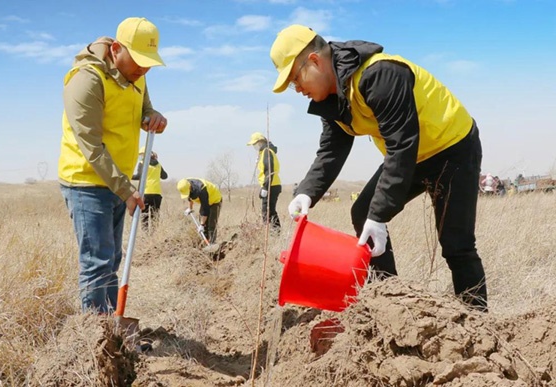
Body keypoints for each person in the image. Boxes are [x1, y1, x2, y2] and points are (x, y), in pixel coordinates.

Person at [270, 24, 487, 311]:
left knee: (456, 244)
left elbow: (401, 146)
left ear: (314, 61)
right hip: (411, 154)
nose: (297, 90)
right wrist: (306, 192)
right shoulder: (333, 98)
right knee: (362, 212)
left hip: (452, 147)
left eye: (296, 79)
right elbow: (332, 149)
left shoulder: (380, 75)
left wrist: (380, 214)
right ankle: (391, 306)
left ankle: (479, 326)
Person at [58, 17, 168, 314]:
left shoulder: (137, 74)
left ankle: (110, 327)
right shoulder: (86, 80)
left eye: (149, 63)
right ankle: (96, 338)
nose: (144, 69)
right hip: (87, 183)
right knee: (97, 263)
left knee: (112, 259)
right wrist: (126, 190)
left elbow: (145, 108)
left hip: (119, 182)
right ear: (117, 49)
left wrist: (152, 116)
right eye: (139, 61)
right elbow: (91, 147)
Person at [246, 132, 282, 231]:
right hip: (272, 184)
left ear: (261, 142)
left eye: (255, 143)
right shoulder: (265, 152)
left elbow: (269, 171)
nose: (254, 146)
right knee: (270, 211)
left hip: (271, 185)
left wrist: (266, 187)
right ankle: (275, 232)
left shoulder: (267, 151)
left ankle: (273, 232)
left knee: (267, 212)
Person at [177, 178, 222, 244]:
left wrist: (202, 224)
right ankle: (205, 242)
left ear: (190, 187)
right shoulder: (186, 184)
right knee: (202, 223)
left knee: (211, 223)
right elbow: (190, 198)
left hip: (215, 200)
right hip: (206, 200)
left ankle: (212, 244)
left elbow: (205, 209)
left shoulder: (201, 189)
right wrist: (190, 208)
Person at [132, 147, 168, 228]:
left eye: (141, 155)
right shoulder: (158, 164)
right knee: (155, 215)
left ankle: (145, 235)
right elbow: (165, 176)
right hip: (157, 193)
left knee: (144, 215)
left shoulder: (142, 163)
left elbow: (138, 176)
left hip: (146, 192)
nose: (140, 157)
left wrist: (128, 176)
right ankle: (154, 234)